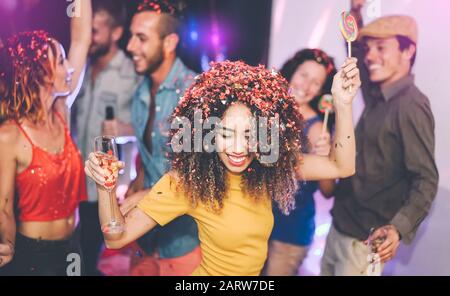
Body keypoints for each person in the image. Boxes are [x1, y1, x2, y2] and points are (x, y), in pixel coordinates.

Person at [85, 58, 361, 276]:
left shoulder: (266, 166)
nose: (238, 148)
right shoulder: (187, 183)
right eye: (226, 134)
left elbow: (341, 166)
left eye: (249, 134)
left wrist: (343, 104)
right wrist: (106, 188)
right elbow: (115, 238)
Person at [320, 1, 439, 276]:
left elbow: (426, 179)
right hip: (340, 228)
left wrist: (398, 228)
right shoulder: (378, 93)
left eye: (381, 48)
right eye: (369, 48)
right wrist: (357, 14)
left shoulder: (411, 106)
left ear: (408, 51)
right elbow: (356, 57)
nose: (371, 56)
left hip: (364, 244)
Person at [0, 0, 92, 275]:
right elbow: (3, 207)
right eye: (61, 61)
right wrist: (5, 247)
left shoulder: (62, 111)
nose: (71, 68)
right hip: (32, 256)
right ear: (39, 73)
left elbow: (81, 37)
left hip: (74, 246)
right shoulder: (10, 137)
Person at [123, 0, 201, 276]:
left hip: (181, 247)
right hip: (144, 241)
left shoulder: (195, 95)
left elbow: (204, 177)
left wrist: (147, 196)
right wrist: (134, 187)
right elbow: (149, 158)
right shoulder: (141, 90)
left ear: (169, 43)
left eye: (141, 38)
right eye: (131, 36)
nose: (130, 46)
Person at [72, 0, 139, 276]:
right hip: (74, 184)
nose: (90, 37)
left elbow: (156, 126)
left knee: (96, 259)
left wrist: (128, 129)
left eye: (95, 31)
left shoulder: (132, 73)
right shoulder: (79, 69)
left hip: (107, 190)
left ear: (116, 32)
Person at [264, 49, 336, 276]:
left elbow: (328, 191)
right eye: (304, 75)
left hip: (289, 234)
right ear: (292, 71)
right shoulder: (268, 108)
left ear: (321, 90)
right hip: (256, 224)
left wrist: (325, 157)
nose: (306, 85)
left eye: (316, 82)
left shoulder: (317, 129)